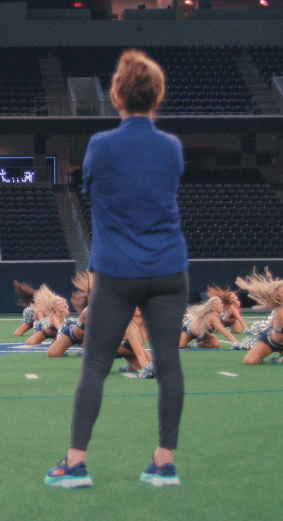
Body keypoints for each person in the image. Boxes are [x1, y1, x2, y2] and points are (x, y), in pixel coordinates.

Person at [48, 50, 188, 490]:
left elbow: (89, 186)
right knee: (168, 364)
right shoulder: (171, 146)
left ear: (117, 95)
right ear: (157, 97)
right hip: (168, 266)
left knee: (94, 367)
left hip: (116, 268)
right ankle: (163, 462)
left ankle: (75, 464)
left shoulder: (101, 145)